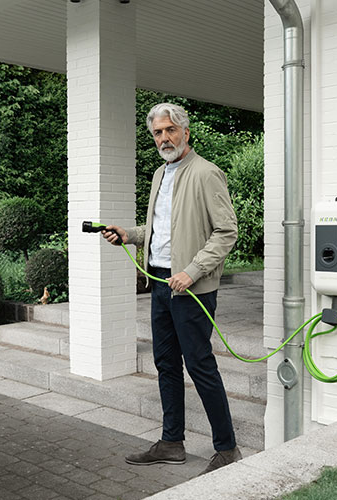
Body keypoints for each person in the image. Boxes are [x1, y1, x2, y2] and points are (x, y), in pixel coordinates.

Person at [101, 102, 242, 475]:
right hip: (161, 284)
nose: (164, 138)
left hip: (191, 288)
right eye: (158, 133)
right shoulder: (159, 175)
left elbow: (226, 232)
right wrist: (129, 235)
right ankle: (171, 443)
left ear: (185, 133)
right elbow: (163, 230)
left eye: (170, 130)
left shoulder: (207, 173)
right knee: (165, 363)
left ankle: (227, 449)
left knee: (199, 365)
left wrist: (192, 271)